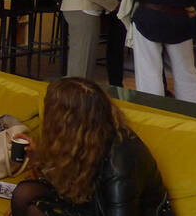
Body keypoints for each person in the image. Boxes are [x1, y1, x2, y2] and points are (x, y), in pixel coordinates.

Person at [10, 78, 171, 216]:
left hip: (110, 209)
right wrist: (40, 155)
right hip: (91, 201)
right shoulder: (87, 136)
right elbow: (76, 175)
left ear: (68, 122)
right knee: (23, 194)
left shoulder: (121, 162)